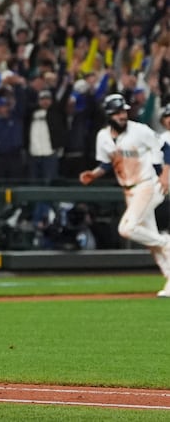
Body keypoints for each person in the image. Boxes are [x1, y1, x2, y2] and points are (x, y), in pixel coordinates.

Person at [79, 93, 170, 297]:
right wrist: (94, 174)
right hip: (129, 190)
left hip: (147, 184)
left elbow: (164, 147)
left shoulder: (139, 130)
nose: (122, 115)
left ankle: (166, 242)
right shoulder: (103, 137)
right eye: (118, 112)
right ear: (109, 114)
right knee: (149, 241)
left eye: (124, 111)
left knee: (127, 228)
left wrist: (165, 174)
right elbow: (106, 163)